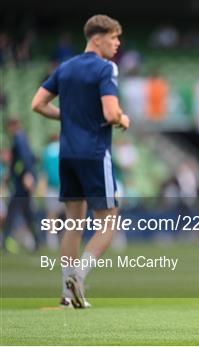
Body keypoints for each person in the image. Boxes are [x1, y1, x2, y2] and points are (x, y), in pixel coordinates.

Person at [31, 14, 130, 309]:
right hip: (95, 153)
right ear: (97, 38)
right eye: (113, 37)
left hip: (67, 154)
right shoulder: (105, 68)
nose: (117, 43)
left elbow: (37, 104)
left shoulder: (65, 67)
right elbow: (111, 113)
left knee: (73, 222)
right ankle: (80, 275)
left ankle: (66, 291)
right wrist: (123, 118)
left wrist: (68, 116)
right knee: (108, 221)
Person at [2, 118, 39, 252]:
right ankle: (37, 240)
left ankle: (5, 241)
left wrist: (27, 174)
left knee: (13, 212)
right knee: (27, 213)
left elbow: (25, 158)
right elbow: (31, 157)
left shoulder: (19, 138)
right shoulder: (22, 138)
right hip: (21, 183)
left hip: (21, 185)